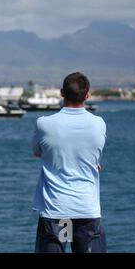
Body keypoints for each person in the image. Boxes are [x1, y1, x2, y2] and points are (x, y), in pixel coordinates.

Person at [32, 72, 107, 253]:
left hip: (55, 212)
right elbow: (94, 157)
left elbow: (37, 152)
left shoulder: (44, 124)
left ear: (61, 93)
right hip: (86, 210)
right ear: (87, 95)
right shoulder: (99, 124)